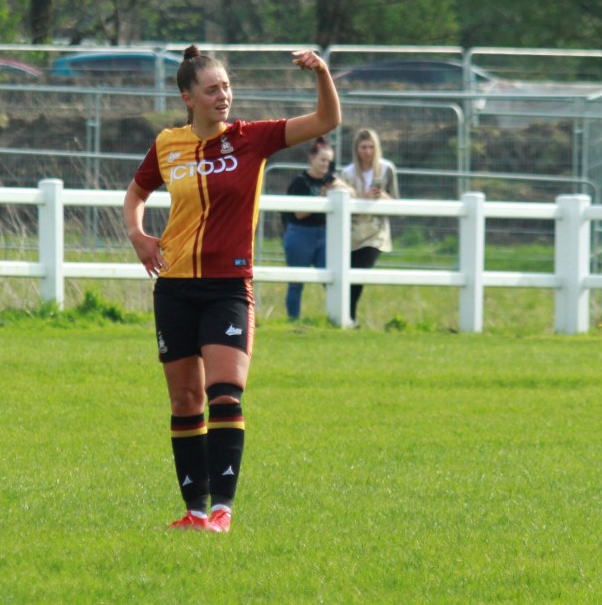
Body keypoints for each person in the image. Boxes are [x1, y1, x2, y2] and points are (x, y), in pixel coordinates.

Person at [122, 45, 341, 533]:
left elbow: (327, 120)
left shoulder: (252, 139)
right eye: (212, 90)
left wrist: (322, 72)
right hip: (174, 287)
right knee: (185, 403)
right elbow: (136, 193)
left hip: (227, 288)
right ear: (188, 99)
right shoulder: (168, 144)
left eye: (226, 87)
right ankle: (194, 511)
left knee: (224, 395)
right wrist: (138, 235)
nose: (223, 96)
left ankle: (222, 510)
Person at [281, 136, 349, 320]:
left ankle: (337, 318)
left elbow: (350, 194)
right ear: (312, 158)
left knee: (333, 279)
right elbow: (298, 213)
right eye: (322, 160)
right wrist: (321, 197)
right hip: (300, 234)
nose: (326, 164)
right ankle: (293, 320)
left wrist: (340, 186)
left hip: (324, 234)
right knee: (296, 282)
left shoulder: (331, 180)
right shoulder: (300, 182)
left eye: (329, 161)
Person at [341, 128, 399, 325]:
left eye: (371, 147)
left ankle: (349, 316)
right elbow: (344, 203)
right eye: (363, 147)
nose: (367, 152)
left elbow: (396, 201)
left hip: (376, 232)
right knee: (349, 275)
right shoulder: (347, 173)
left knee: (361, 271)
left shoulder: (386, 169)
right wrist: (362, 199)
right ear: (356, 149)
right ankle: (348, 318)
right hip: (352, 232)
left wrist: (382, 196)